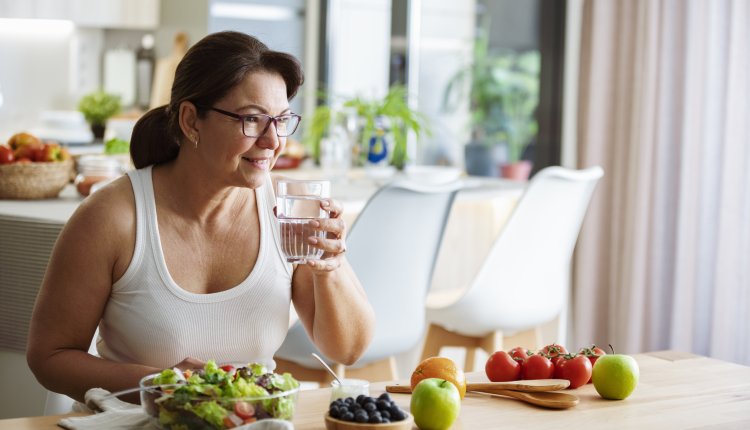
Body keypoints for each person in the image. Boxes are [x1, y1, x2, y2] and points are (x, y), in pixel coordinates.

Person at [26, 31, 375, 403]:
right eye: (253, 120)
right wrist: (162, 385)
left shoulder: (291, 209)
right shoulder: (112, 218)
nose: (273, 141)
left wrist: (330, 268)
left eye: (282, 120)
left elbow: (348, 351)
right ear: (191, 121)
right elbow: (49, 358)